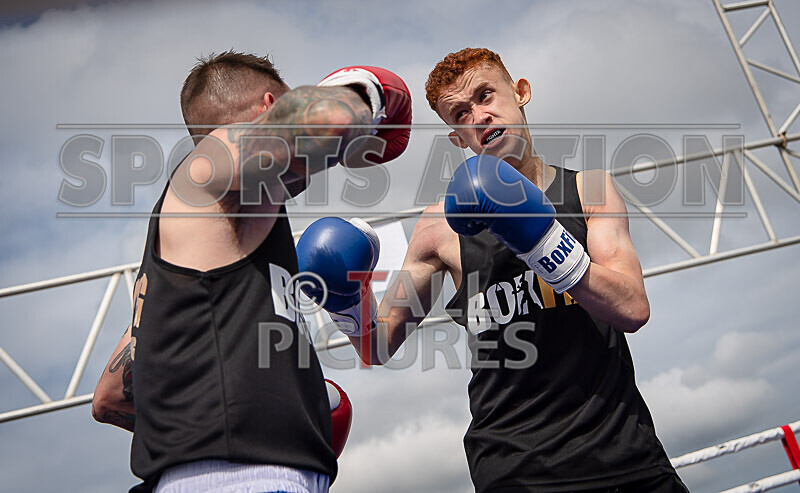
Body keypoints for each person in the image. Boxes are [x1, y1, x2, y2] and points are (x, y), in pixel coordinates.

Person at [298, 48, 689, 492]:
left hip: (624, 455)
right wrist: (346, 298)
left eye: (486, 96)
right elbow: (379, 343)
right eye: (461, 113)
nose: (479, 116)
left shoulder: (588, 190)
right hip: (512, 469)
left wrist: (539, 240)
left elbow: (633, 307)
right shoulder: (438, 229)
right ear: (456, 137)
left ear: (520, 92)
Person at [90, 51, 412, 493]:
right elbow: (327, 122)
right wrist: (364, 92)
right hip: (244, 479)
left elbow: (111, 397)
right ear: (268, 107)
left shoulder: (199, 262)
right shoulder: (212, 159)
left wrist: (277, 416)